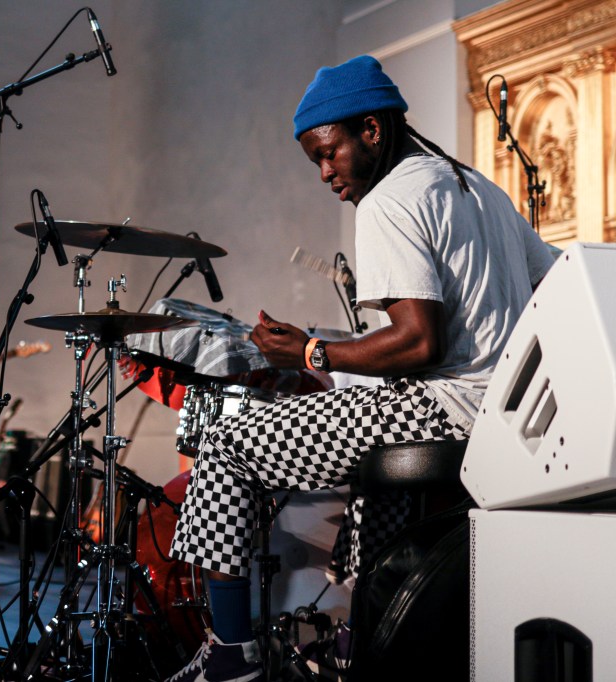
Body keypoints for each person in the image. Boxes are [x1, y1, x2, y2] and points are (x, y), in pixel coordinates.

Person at [164, 55, 556, 682]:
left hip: (440, 409)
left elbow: (416, 343)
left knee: (226, 439)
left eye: (330, 153)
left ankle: (232, 654)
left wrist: (311, 354)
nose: (324, 172)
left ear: (372, 130)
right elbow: (556, 281)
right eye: (315, 161)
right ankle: (362, 640)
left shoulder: (387, 200)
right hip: (504, 414)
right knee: (368, 454)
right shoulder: (476, 186)